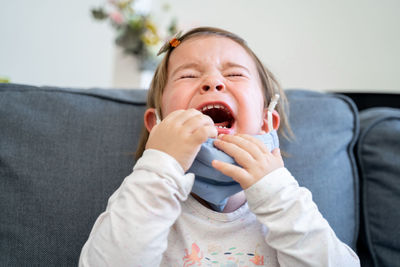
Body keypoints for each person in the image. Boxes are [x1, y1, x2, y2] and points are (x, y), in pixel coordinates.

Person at [79, 27, 360, 266]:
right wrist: (159, 164)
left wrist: (277, 193)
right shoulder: (142, 198)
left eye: (235, 75)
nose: (213, 82)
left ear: (266, 123)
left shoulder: (288, 205)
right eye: (188, 76)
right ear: (157, 123)